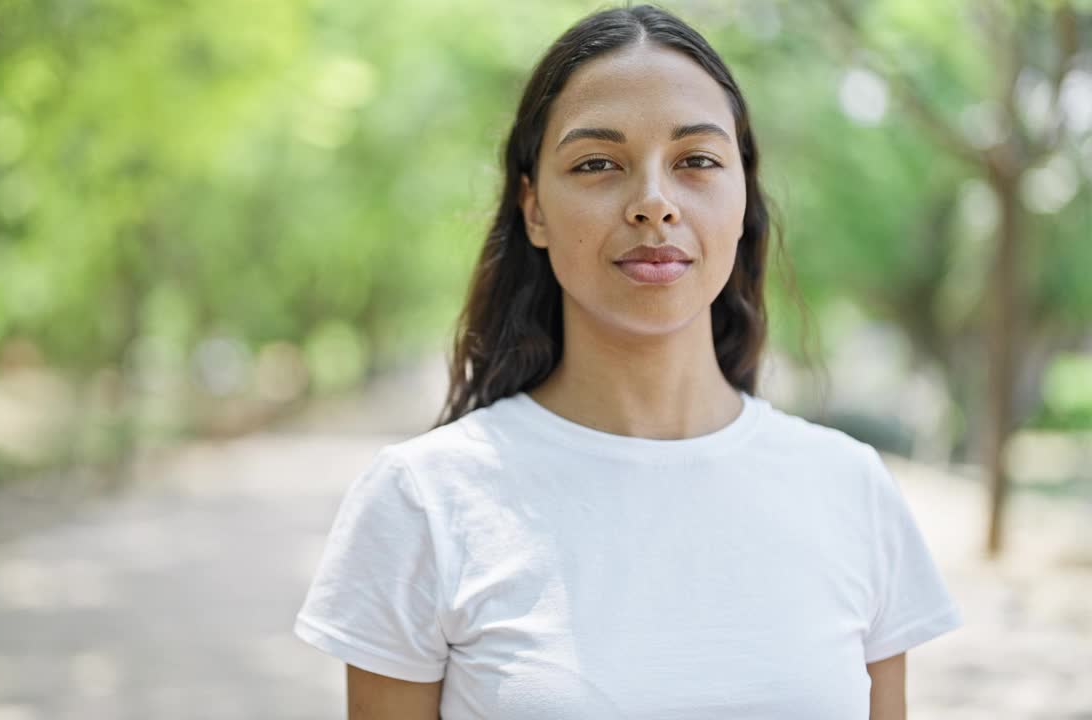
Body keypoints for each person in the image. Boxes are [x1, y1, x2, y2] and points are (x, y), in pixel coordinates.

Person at [293, 5, 964, 718]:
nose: (653, 203)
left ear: (744, 197)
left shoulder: (850, 490)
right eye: (597, 164)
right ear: (534, 209)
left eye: (697, 162)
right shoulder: (423, 502)